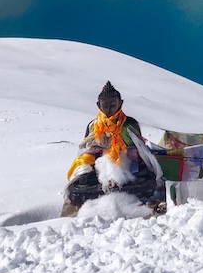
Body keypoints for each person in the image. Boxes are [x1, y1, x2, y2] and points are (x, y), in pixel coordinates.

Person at [62, 81, 148, 216]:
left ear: (120, 103)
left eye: (113, 105)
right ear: (98, 105)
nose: (109, 109)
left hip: (126, 163)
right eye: (105, 105)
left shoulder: (129, 124)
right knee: (81, 173)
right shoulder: (93, 126)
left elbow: (139, 148)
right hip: (98, 164)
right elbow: (86, 149)